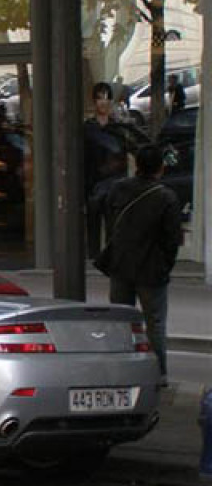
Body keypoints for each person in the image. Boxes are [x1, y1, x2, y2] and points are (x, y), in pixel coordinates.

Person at [100, 144, 183, 384]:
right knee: (155, 322)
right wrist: (166, 266)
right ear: (160, 167)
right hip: (152, 269)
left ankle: (121, 370)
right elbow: (171, 240)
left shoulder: (118, 189)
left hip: (121, 265)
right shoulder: (166, 197)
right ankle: (158, 373)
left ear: (137, 165)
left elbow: (110, 221)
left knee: (121, 321)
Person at [84, 82, 135, 258]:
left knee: (113, 224)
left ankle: (111, 258)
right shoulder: (88, 128)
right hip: (94, 183)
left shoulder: (117, 128)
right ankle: (94, 257)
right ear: (94, 102)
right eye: (99, 98)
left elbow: (127, 151)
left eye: (106, 98)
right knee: (93, 224)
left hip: (114, 183)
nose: (103, 102)